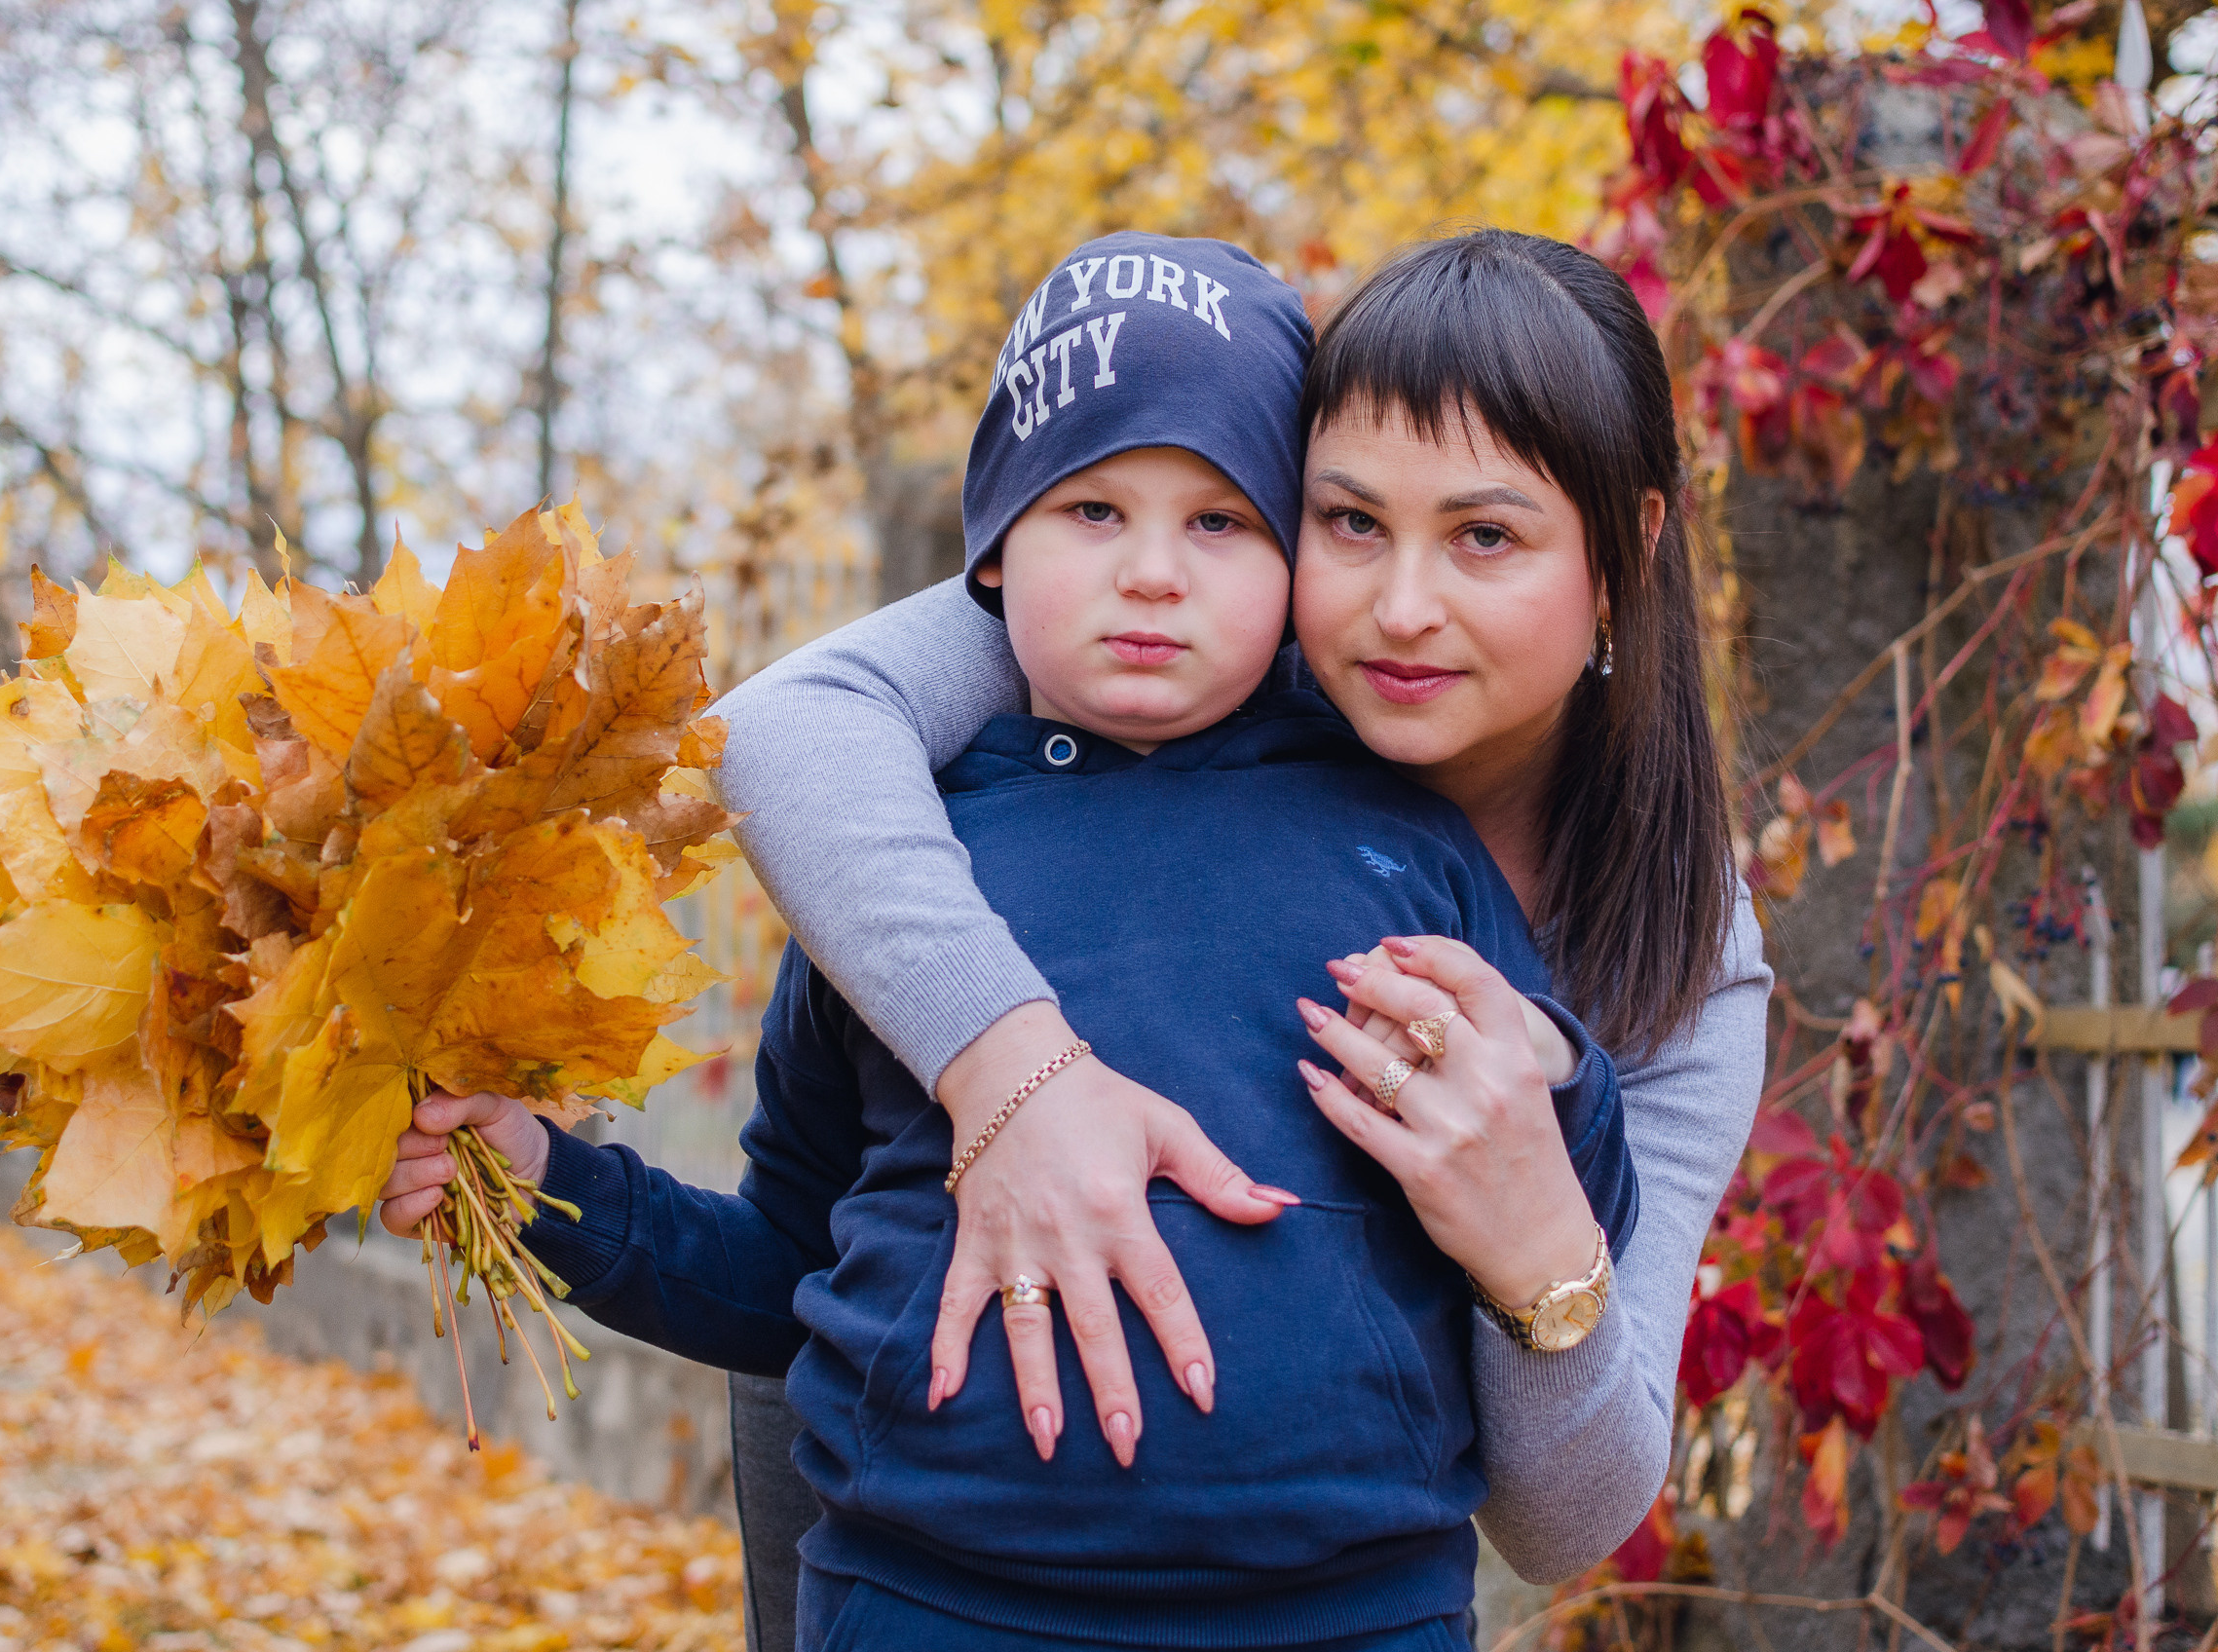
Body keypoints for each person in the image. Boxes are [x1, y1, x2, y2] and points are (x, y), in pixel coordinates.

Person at [386, 232, 1641, 1651]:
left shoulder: (1402, 842)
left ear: (1295, 555)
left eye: (1224, 522)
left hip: (1350, 1611)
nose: (1154, 573)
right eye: (1091, 510)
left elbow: (1563, 1171)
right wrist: (550, 1183)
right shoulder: (904, 875)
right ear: (992, 550)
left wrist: (1557, 1069)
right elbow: (783, 1269)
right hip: (933, 1600)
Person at [698, 228, 1771, 1635]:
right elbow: (788, 724)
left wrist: (1535, 1250)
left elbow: (1566, 1516)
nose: (1399, 609)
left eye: (1487, 536)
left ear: (1627, 549)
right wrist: (1015, 1073)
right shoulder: (1179, 649)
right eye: (1348, 522)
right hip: (906, 1503)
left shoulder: (1675, 955)